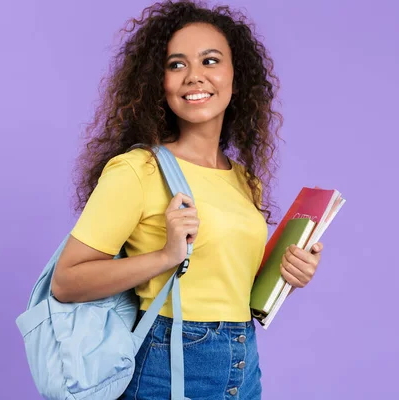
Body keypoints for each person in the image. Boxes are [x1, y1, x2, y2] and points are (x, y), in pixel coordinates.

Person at [51, 1, 324, 398]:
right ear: (157, 82)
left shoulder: (246, 182)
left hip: (242, 365)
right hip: (168, 361)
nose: (194, 76)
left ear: (236, 76)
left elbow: (228, 287)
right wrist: (165, 256)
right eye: (176, 65)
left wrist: (288, 276)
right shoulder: (137, 170)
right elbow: (67, 281)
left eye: (210, 61)